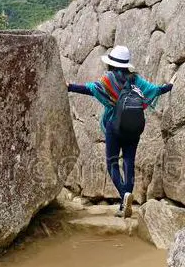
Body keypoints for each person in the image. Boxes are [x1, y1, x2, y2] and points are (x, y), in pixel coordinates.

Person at [67, 45, 174, 217]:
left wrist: (70, 86)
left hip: (114, 126)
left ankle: (125, 196)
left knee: (112, 163)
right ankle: (126, 202)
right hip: (134, 127)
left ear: (112, 64)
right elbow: (155, 90)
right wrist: (169, 86)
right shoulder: (136, 80)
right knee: (129, 162)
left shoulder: (109, 79)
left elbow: (91, 89)